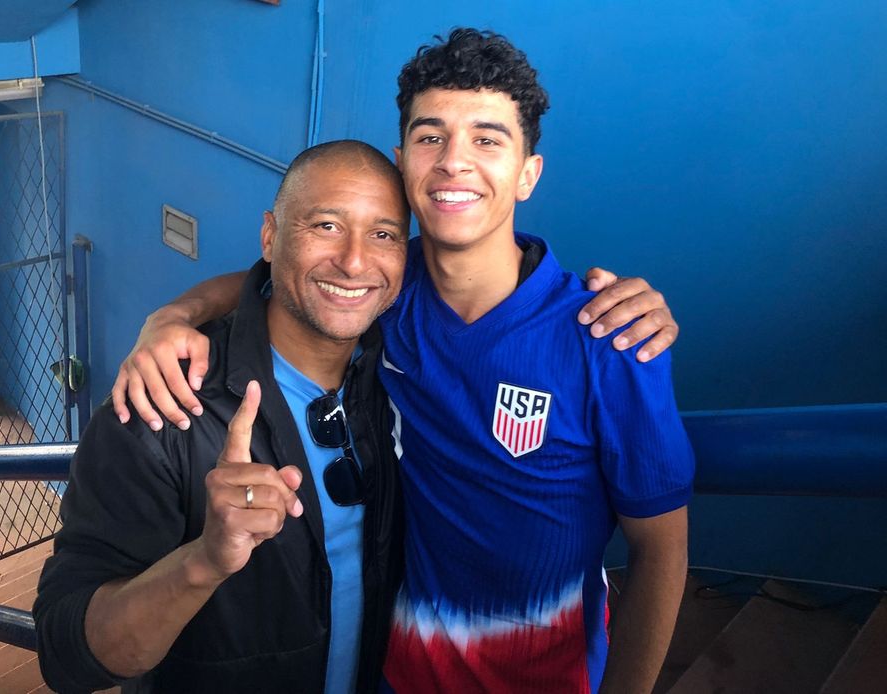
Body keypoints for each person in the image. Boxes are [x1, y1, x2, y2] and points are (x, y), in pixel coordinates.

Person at [111, 29, 693, 694]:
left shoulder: (609, 340)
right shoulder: (385, 285)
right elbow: (281, 278)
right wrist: (172, 317)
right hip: (395, 674)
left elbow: (662, 552)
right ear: (403, 160)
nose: (454, 161)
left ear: (528, 172)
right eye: (430, 136)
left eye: (487, 138)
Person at [33, 140, 409, 693]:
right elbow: (66, 656)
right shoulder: (162, 407)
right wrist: (204, 561)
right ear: (270, 236)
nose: (355, 260)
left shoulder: (404, 371)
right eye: (326, 225)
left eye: (383, 234)